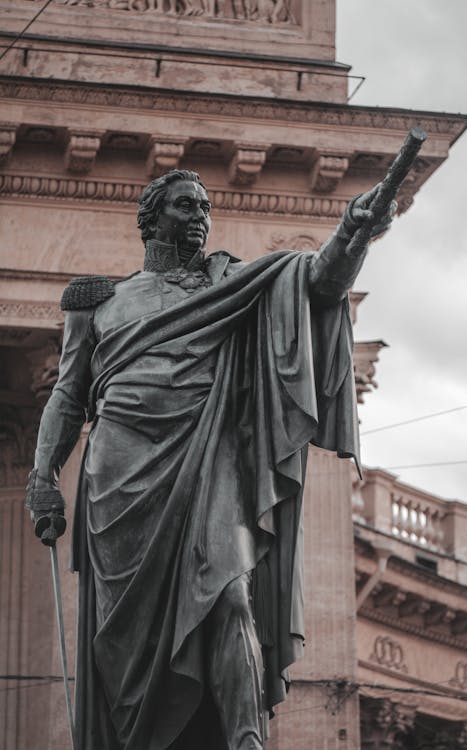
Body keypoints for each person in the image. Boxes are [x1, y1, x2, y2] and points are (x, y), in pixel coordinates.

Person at [26, 169, 394, 750]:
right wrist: (43, 476)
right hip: (119, 474)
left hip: (209, 456)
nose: (200, 215)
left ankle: (246, 740)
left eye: (205, 206)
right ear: (152, 219)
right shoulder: (99, 302)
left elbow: (317, 284)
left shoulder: (231, 285)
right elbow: (69, 395)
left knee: (229, 594)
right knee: (123, 641)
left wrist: (353, 232)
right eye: (185, 205)